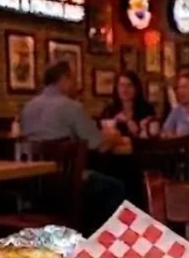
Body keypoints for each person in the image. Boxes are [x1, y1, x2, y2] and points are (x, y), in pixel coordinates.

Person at [21, 61, 124, 231]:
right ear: (64, 80)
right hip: (66, 184)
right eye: (74, 79)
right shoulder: (72, 107)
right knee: (115, 187)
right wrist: (115, 138)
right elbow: (98, 144)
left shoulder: (27, 108)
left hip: (33, 185)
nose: (76, 84)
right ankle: (99, 245)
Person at [99, 71, 156, 137]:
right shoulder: (108, 111)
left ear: (136, 89)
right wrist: (113, 124)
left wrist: (132, 125)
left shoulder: (147, 110)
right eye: (121, 85)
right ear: (116, 88)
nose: (125, 89)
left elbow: (152, 138)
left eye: (129, 85)